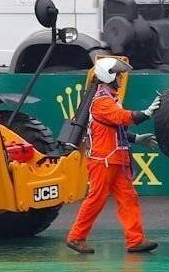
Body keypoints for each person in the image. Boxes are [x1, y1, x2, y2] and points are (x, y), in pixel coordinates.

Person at [66, 58, 161, 254]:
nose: (119, 77)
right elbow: (122, 118)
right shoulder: (101, 101)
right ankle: (76, 237)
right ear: (107, 76)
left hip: (115, 159)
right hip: (104, 160)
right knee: (96, 199)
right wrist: (148, 112)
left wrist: (135, 139)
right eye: (117, 74)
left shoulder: (108, 99)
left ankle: (135, 240)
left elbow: (115, 129)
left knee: (128, 199)